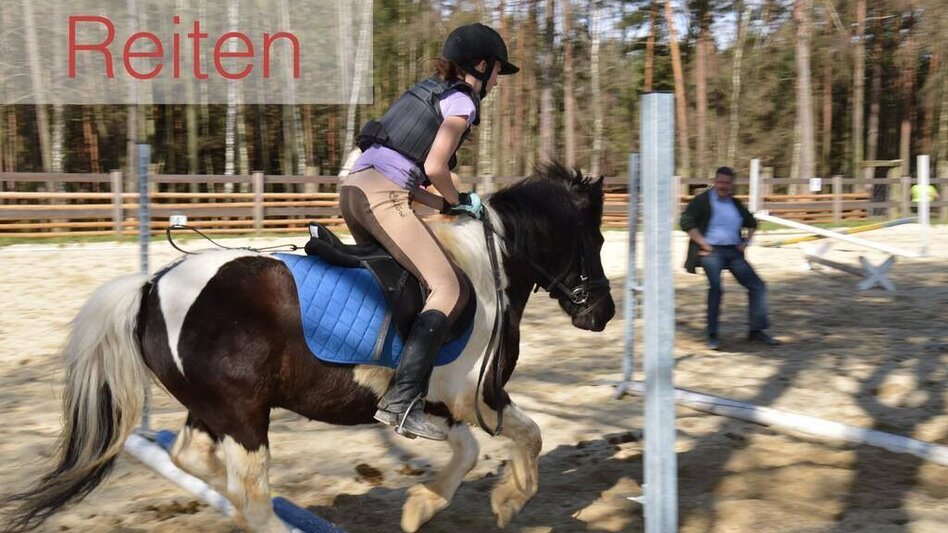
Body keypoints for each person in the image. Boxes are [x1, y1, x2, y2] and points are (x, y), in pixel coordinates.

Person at [339, 23, 519, 440]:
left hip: (354, 192)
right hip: (382, 197)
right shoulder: (463, 102)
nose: (497, 81)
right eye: (497, 71)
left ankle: (387, 370)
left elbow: (409, 175)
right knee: (449, 289)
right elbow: (436, 168)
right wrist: (456, 198)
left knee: (403, 282)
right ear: (481, 65)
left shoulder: (424, 92)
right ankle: (402, 401)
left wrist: (447, 205)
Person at [679, 167, 781, 350]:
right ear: (715, 181)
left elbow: (752, 223)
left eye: (727, 183)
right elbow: (686, 222)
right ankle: (712, 335)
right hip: (711, 252)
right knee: (716, 288)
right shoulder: (702, 201)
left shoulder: (735, 203)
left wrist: (746, 242)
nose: (723, 186)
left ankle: (757, 330)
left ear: (732, 184)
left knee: (758, 286)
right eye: (720, 182)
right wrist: (703, 243)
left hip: (733, 252)